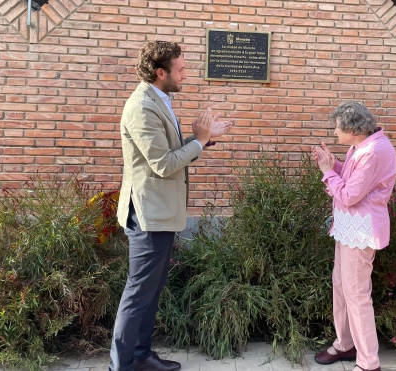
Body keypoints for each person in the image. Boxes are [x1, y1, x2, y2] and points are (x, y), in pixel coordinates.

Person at [110, 40, 233, 371]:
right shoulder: (141, 107)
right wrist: (200, 141)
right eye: (180, 69)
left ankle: (140, 356)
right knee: (138, 297)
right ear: (160, 72)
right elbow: (163, 164)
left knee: (150, 292)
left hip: (162, 213)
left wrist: (201, 137)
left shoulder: (158, 99)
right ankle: (119, 366)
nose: (186, 74)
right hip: (149, 215)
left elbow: (170, 152)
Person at [312, 101, 396, 371]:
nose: (335, 133)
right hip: (349, 229)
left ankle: (369, 362)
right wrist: (333, 164)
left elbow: (349, 195)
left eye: (337, 128)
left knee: (357, 295)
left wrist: (327, 172)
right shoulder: (360, 147)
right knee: (341, 286)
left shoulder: (372, 152)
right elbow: (351, 179)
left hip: (360, 232)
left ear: (353, 129)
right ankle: (346, 344)